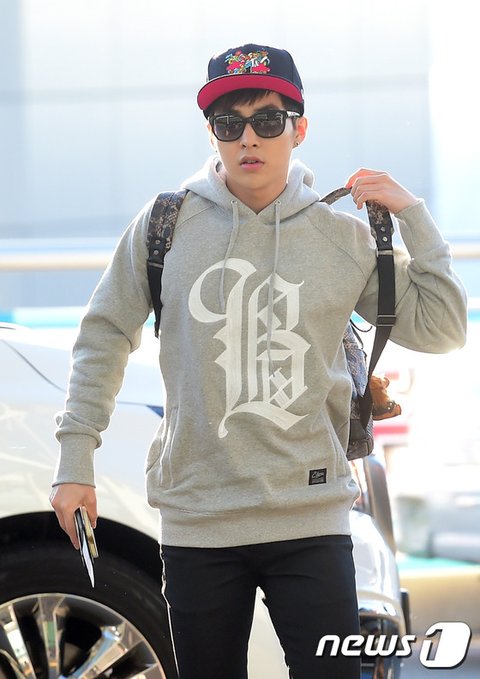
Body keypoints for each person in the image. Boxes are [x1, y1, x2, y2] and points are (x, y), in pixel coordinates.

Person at [50, 43, 467, 678]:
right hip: (198, 519)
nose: (249, 138)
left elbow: (443, 327)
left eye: (268, 120)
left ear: (299, 129)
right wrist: (75, 459)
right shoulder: (164, 226)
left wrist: (413, 217)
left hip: (311, 516)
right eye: (229, 123)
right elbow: (103, 335)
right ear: (211, 134)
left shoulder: (344, 237)